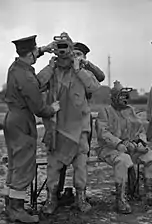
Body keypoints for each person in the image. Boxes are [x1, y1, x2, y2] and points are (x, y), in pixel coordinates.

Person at [38, 33, 101, 214]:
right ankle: (52, 198)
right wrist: (50, 67)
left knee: (80, 165)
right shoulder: (52, 71)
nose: (63, 52)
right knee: (53, 166)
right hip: (57, 128)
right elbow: (37, 84)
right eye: (60, 48)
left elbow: (94, 87)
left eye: (66, 47)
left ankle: (80, 197)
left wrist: (78, 69)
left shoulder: (81, 71)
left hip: (80, 128)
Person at [3, 35, 60, 223]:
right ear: (30, 54)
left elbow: (32, 54)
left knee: (14, 163)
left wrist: (46, 48)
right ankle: (17, 210)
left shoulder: (16, 67)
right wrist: (53, 109)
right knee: (24, 165)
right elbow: (38, 108)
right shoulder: (27, 77)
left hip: (11, 118)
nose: (38, 53)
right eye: (36, 51)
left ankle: (10, 204)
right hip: (22, 120)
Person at [95, 82, 152, 214]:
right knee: (122, 161)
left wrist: (141, 142)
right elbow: (103, 133)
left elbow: (140, 130)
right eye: (121, 96)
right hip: (109, 149)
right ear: (114, 97)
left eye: (125, 96)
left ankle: (151, 194)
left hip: (132, 148)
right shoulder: (105, 112)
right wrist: (118, 143)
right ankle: (120, 198)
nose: (124, 99)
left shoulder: (130, 111)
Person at [56, 41, 105, 200]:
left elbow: (100, 77)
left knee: (82, 157)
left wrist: (85, 64)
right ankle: (57, 191)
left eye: (79, 55)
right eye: (74, 54)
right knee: (61, 159)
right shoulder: (64, 71)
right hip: (65, 119)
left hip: (83, 119)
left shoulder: (85, 71)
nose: (75, 57)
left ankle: (81, 194)